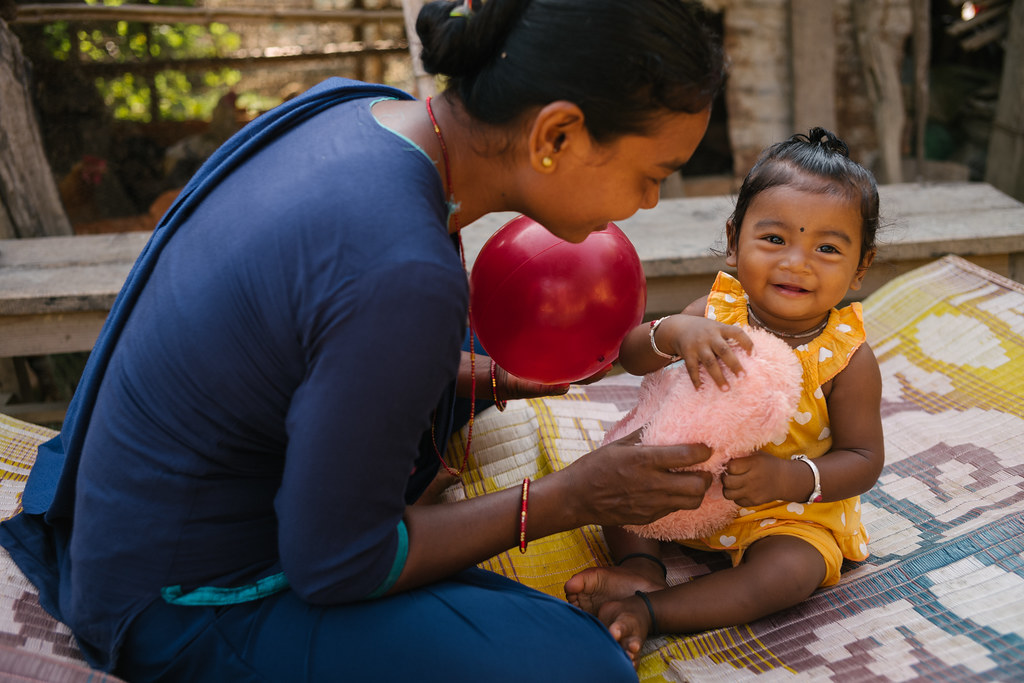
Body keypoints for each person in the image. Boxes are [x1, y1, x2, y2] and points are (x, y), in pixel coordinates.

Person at [0, 1, 726, 681]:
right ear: (556, 135)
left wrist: (474, 377)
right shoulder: (402, 271)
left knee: (457, 335)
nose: (650, 201)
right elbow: (336, 563)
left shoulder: (356, 107)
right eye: (652, 174)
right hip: (174, 591)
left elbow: (305, 324)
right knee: (580, 664)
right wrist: (568, 496)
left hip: (123, 493)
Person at [565, 128, 885, 661]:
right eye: (775, 239)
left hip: (784, 509)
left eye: (827, 248)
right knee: (615, 472)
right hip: (692, 481)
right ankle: (641, 568)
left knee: (790, 573)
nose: (797, 262)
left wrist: (789, 478)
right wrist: (670, 332)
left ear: (861, 266)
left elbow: (864, 459)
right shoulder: (718, 312)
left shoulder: (846, 356)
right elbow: (630, 356)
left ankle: (655, 610)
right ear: (736, 241)